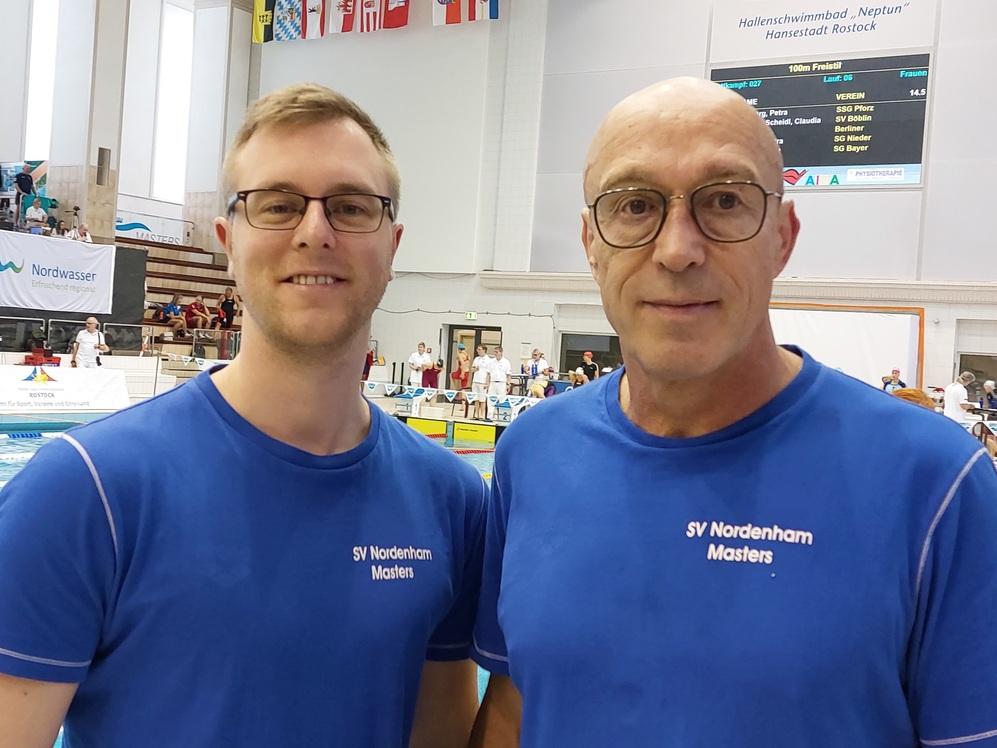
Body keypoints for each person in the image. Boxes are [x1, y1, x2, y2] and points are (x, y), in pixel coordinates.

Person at [469, 78, 997, 748]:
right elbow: (512, 709)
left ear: (782, 235)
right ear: (589, 243)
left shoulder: (935, 484)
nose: (677, 249)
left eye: (723, 200)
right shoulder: (532, 451)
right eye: (635, 205)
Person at [0, 83, 485, 748]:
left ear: (392, 245)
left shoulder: (452, 501)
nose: (315, 233)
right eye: (278, 205)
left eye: (349, 207)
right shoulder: (85, 491)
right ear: (228, 243)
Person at [470, 344, 491, 420]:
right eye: (477, 349)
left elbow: (489, 373)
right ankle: (476, 414)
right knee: (476, 399)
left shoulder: (488, 360)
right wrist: (475, 369)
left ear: (484, 350)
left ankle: (482, 415)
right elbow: (472, 369)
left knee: (482, 399)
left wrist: (487, 383)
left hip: (483, 381)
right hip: (475, 380)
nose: (478, 351)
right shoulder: (476, 359)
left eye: (479, 349)